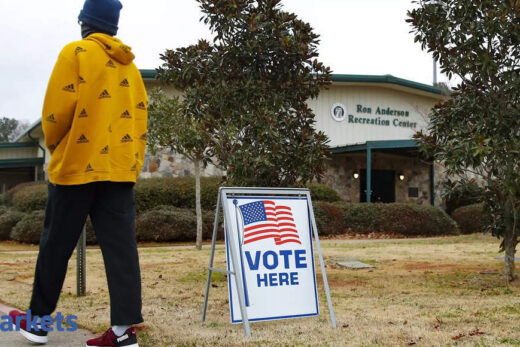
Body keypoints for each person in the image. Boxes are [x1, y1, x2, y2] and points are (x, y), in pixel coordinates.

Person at [9, 0, 147, 346]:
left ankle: (37, 323)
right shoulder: (130, 68)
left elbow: (55, 114)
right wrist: (129, 163)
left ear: (85, 22)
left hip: (77, 167)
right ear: (113, 27)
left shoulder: (76, 53)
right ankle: (123, 332)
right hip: (118, 171)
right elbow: (141, 121)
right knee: (122, 250)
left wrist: (58, 148)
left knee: (56, 244)